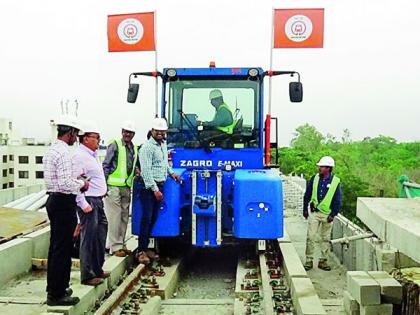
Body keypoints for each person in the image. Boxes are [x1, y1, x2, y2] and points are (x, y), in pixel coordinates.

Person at [43, 115, 89, 306]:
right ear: (70, 133)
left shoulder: (52, 150)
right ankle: (57, 294)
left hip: (54, 200)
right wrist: (82, 183)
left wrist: (75, 179)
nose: (76, 138)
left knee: (56, 248)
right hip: (63, 203)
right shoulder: (64, 153)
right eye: (75, 134)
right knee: (62, 249)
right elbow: (64, 183)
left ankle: (56, 287)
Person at [137, 118, 180, 264]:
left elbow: (163, 163)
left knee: (153, 218)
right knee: (146, 218)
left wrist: (172, 173)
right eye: (158, 131)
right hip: (149, 188)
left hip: (159, 185)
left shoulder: (162, 145)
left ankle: (146, 247)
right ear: (152, 131)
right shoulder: (147, 148)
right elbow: (146, 171)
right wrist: (155, 190)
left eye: (163, 131)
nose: (160, 134)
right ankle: (141, 250)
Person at [73, 121, 109, 286]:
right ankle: (87, 275)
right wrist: (82, 204)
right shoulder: (79, 156)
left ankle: (97, 268)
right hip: (88, 200)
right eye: (96, 137)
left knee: (100, 234)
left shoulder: (92, 156)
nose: (98, 140)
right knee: (88, 238)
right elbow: (76, 182)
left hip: (98, 200)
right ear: (85, 139)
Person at [103, 120, 137, 257]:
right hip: (113, 187)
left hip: (126, 187)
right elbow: (105, 165)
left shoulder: (134, 148)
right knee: (114, 217)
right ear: (122, 132)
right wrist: (104, 185)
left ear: (133, 134)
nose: (127, 134)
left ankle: (121, 244)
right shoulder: (115, 145)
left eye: (129, 132)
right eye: (125, 132)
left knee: (124, 217)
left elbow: (132, 166)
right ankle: (115, 247)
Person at [303, 156, 342, 271]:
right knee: (311, 237)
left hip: (327, 215)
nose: (319, 168)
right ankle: (309, 260)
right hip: (314, 213)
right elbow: (307, 194)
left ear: (328, 168)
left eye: (322, 166)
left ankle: (323, 260)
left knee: (325, 238)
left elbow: (337, 199)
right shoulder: (314, 178)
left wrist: (333, 214)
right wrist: (305, 209)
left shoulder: (335, 182)